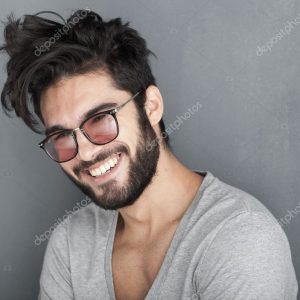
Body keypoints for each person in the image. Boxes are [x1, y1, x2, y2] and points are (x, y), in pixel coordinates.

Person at [0, 9, 298, 300]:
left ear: (151, 106)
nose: (86, 152)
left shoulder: (240, 238)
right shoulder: (70, 242)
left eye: (101, 119)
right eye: (62, 136)